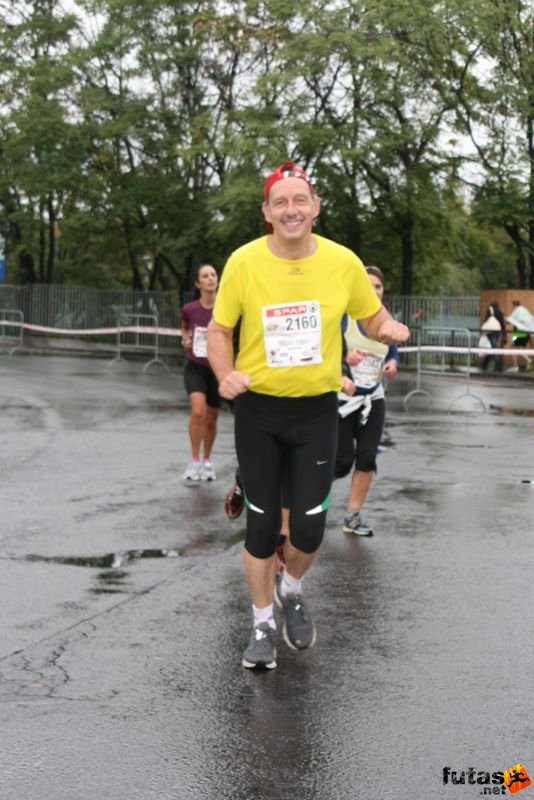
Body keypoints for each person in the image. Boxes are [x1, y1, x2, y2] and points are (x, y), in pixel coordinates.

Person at [207, 161, 410, 669]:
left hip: (318, 410)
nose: (291, 209)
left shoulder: (343, 263)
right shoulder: (245, 262)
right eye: (281, 202)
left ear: (315, 208)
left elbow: (371, 313)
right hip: (258, 410)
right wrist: (225, 373)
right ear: (267, 213)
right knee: (259, 528)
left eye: (301, 201)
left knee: (310, 528)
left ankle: (291, 588)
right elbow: (219, 331)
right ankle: (261, 625)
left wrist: (388, 328)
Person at [335, 265, 400, 536]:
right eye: (368, 285)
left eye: (378, 286)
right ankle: (307, 504)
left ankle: (353, 516)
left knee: (367, 457)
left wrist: (393, 363)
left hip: (374, 398)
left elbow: (393, 350)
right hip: (342, 400)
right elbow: (326, 350)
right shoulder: (344, 318)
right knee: (339, 462)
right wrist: (342, 364)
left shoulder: (386, 322)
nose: (373, 291)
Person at [181, 264, 220, 481]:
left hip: (217, 369)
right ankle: (194, 461)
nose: (210, 279)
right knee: (198, 412)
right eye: (205, 276)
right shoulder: (190, 309)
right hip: (195, 366)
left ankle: (207, 461)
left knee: (212, 419)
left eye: (213, 275)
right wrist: (185, 339)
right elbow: (185, 328)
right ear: (198, 283)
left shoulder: (226, 308)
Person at [506, 300, 532, 372]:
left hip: (518, 332)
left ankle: (516, 366)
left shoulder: (517, 311)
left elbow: (514, 321)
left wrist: (506, 319)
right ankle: (527, 362)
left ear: (514, 305)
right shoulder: (524, 310)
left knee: (513, 348)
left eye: (512, 306)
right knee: (521, 347)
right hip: (525, 332)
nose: (512, 308)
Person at [480, 301, 506, 373]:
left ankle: (498, 365)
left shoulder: (490, 309)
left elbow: (486, 320)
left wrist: (483, 330)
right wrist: (504, 333)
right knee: (492, 347)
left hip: (491, 331)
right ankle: (484, 364)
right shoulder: (499, 311)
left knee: (493, 348)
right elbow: (502, 322)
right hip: (498, 330)